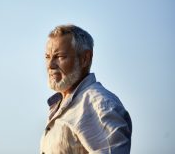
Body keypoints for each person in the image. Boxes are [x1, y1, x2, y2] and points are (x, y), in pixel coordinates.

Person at [40, 24, 132, 154]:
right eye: (47, 57)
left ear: (85, 58)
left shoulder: (99, 105)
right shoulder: (62, 104)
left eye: (59, 57)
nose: (50, 65)